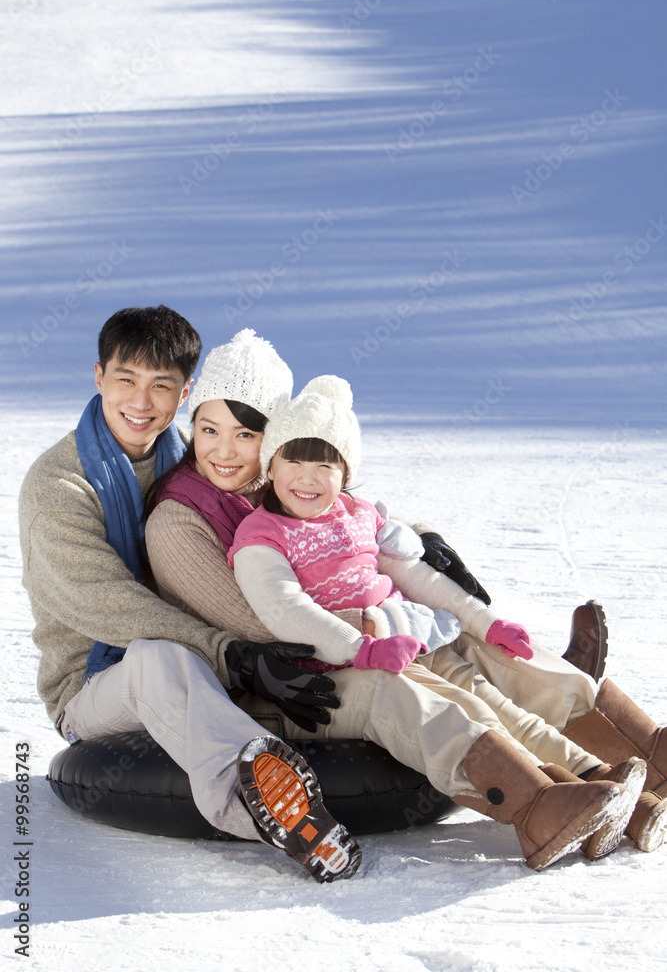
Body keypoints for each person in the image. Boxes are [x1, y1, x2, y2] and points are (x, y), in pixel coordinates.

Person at [146, 342, 649, 870]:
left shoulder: (272, 482)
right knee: (425, 688)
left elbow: (355, 527)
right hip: (284, 680)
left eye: (246, 434)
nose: (225, 451)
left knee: (473, 647)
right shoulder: (183, 520)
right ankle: (536, 803)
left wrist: (426, 550)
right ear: (190, 426)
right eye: (208, 430)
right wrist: (379, 624)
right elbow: (265, 621)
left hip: (359, 644)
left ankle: (618, 765)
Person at [19, 307, 362, 883]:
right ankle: (270, 810)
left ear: (184, 395)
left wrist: (420, 538)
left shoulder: (194, 454)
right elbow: (107, 604)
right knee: (160, 657)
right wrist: (229, 651)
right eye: (126, 380)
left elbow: (301, 488)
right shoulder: (59, 487)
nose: (141, 401)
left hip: (204, 665)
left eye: (162, 386)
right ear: (98, 376)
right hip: (96, 684)